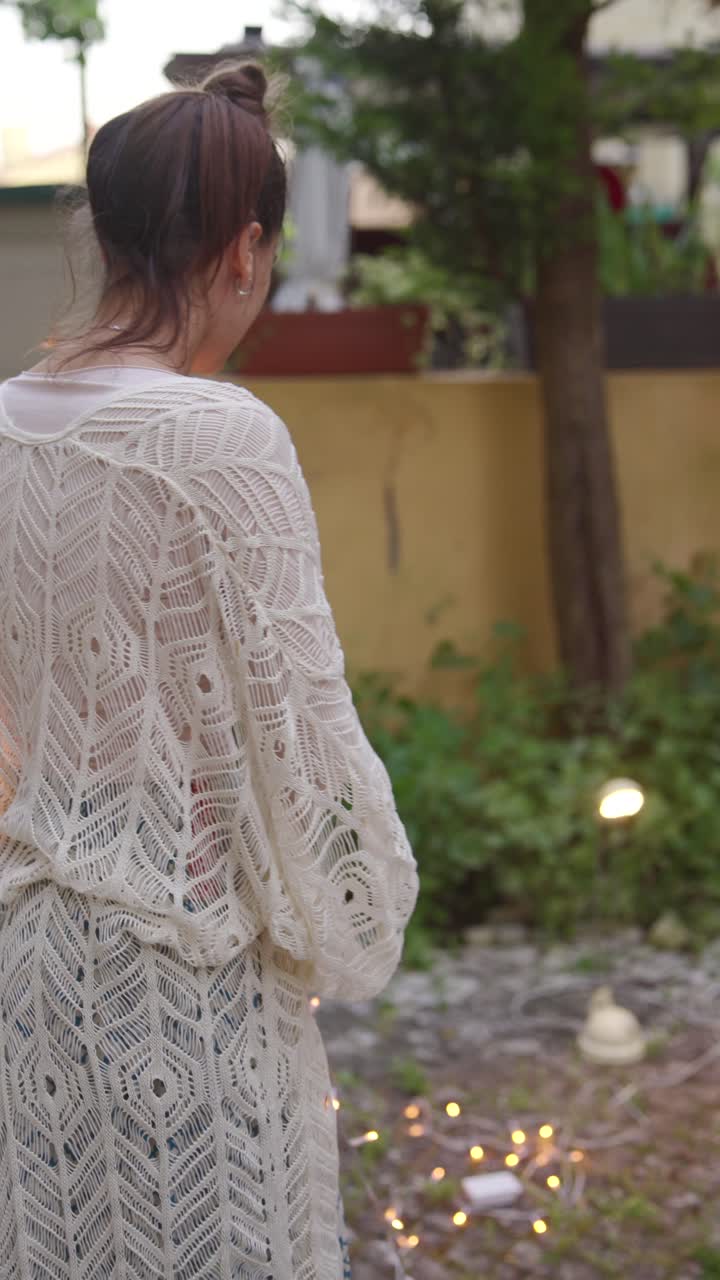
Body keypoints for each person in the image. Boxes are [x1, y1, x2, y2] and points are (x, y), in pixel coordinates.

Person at [0, 61, 419, 1280]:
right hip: (184, 979)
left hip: (27, 973)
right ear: (245, 250)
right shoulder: (217, 436)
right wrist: (349, 922)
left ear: (108, 232)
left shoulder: (7, 421)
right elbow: (305, 738)